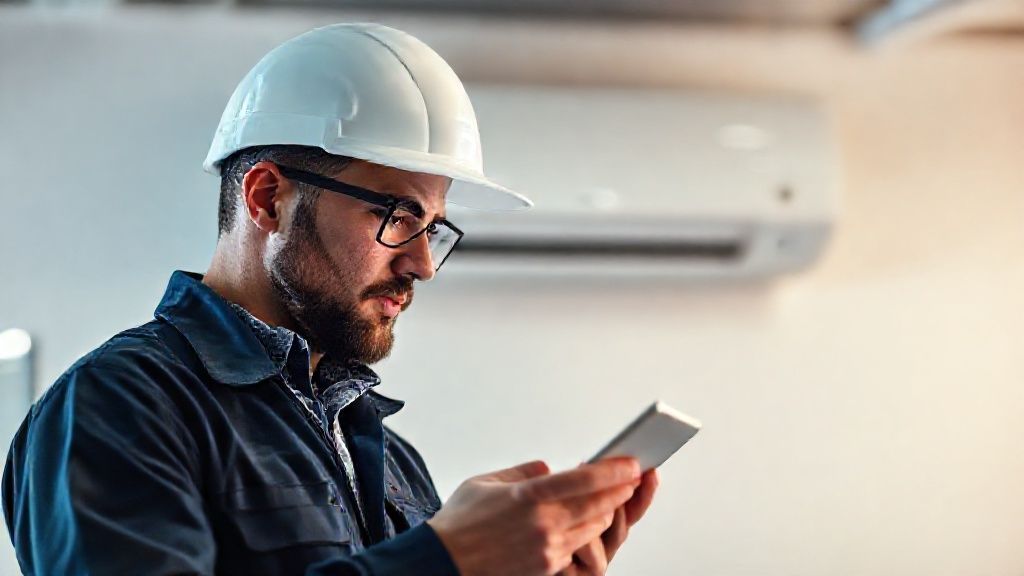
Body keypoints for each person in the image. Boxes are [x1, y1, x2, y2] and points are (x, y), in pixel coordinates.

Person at [2, 23, 658, 576]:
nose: (423, 263)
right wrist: (443, 561)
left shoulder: (389, 454)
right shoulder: (117, 407)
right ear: (267, 198)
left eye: (432, 228)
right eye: (397, 216)